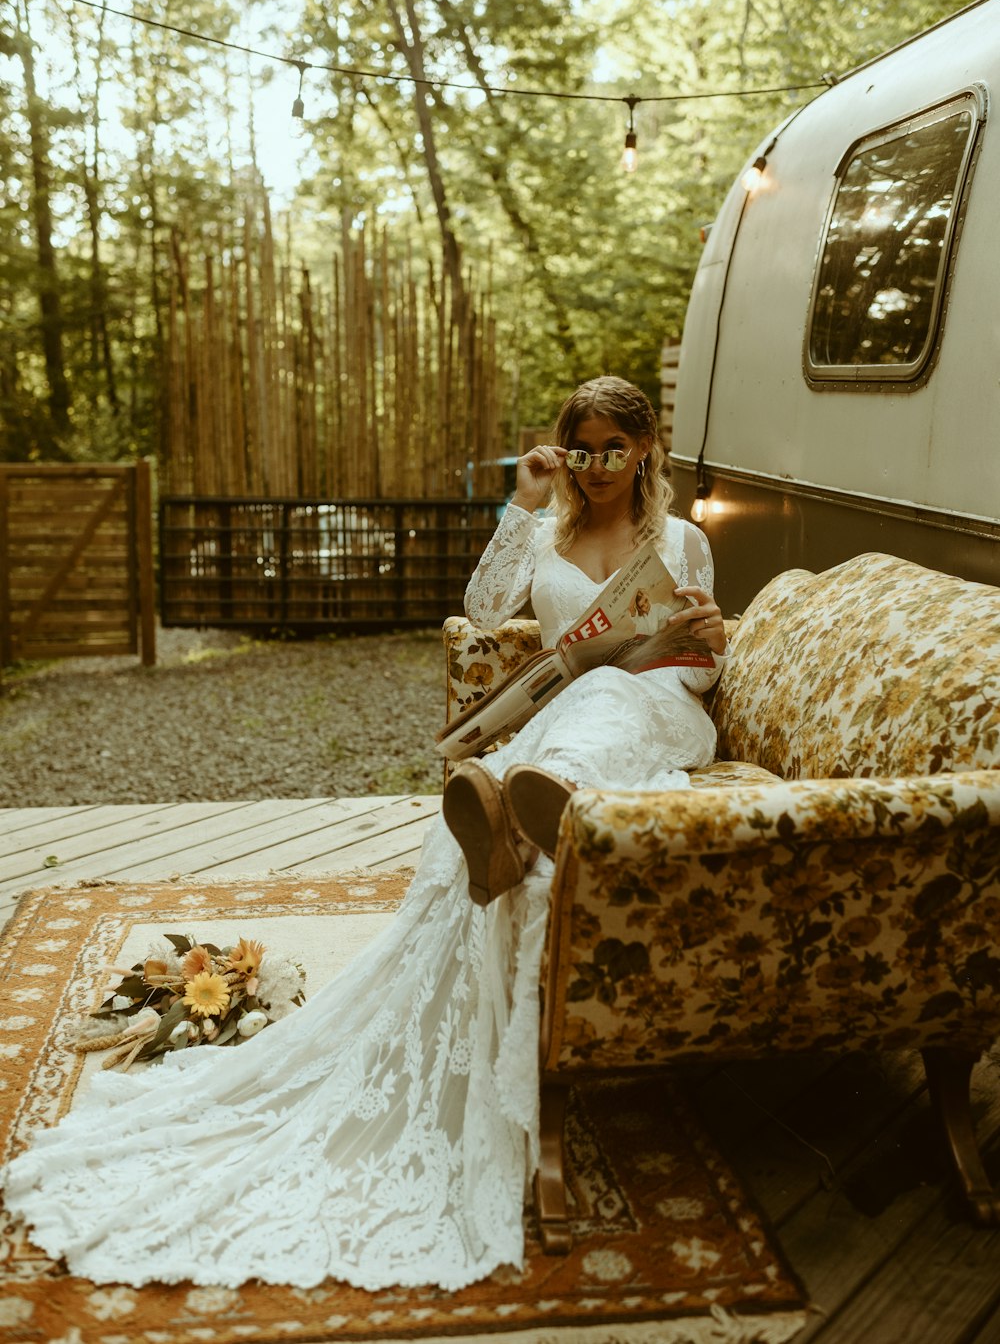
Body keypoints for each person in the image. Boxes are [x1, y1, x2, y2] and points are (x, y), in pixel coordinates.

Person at [1, 376, 726, 1294]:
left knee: (617, 696)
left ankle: (531, 807)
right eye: (580, 448)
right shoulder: (551, 524)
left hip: (656, 705)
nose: (598, 465)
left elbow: (702, 660)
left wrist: (705, 633)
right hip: (561, 712)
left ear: (646, 451)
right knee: (574, 716)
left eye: (612, 450)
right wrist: (525, 500)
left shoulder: (685, 540)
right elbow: (486, 597)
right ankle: (524, 811)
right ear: (565, 450)